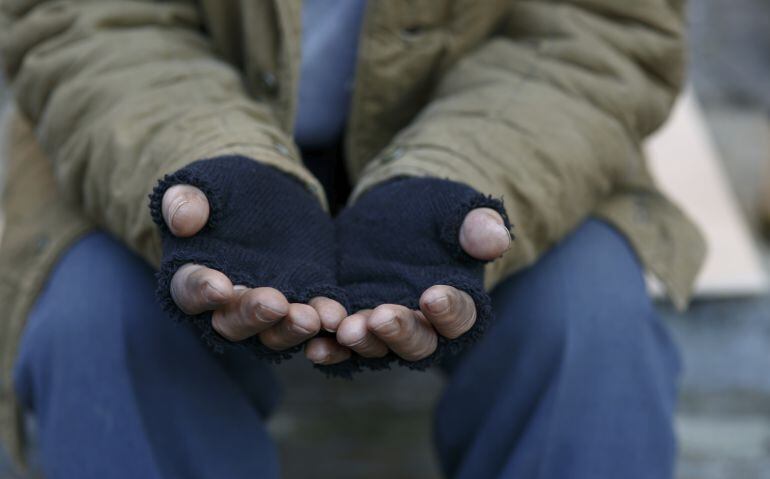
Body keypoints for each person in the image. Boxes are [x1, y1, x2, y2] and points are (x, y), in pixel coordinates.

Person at [0, 0, 705, 477]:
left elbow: (601, 26)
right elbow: (82, 18)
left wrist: (452, 178)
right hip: (147, 133)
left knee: (589, 321)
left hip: (516, 144)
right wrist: (213, 163)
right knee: (99, 322)